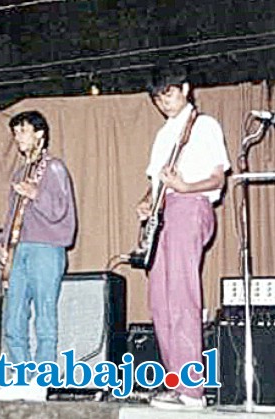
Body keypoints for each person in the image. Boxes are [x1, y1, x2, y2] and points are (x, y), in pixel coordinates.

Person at [136, 66, 230, 410]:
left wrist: (187, 186)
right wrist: (147, 202)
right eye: (159, 97)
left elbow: (218, 178)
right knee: (160, 300)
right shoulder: (163, 134)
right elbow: (155, 182)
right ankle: (175, 382)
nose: (165, 102)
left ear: (186, 89)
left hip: (191, 206)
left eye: (170, 94)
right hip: (165, 213)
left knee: (182, 296)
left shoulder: (204, 125)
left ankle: (192, 390)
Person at [0, 110, 77, 402]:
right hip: (19, 250)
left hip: (46, 250)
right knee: (13, 315)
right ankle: (20, 377)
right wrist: (2, 242)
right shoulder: (19, 172)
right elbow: (12, 216)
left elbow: (60, 211)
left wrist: (35, 193)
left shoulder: (53, 168)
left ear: (40, 134)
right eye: (15, 133)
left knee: (44, 316)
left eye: (23, 131)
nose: (18, 138)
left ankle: (41, 380)